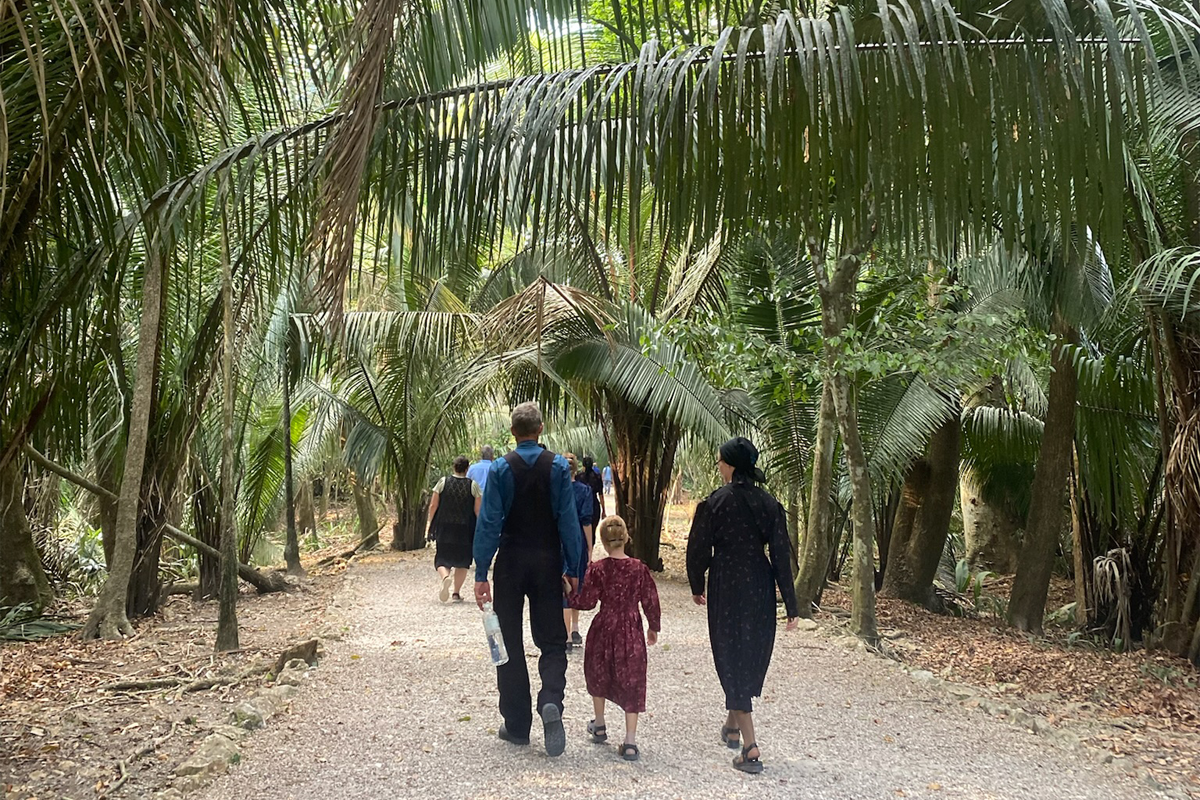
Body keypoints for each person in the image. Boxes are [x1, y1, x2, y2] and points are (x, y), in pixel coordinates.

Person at [474, 402, 584, 757]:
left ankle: (517, 724)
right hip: (547, 560)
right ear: (540, 429)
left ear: (513, 433)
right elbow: (568, 520)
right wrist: (574, 567)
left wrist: (480, 572)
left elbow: (489, 522)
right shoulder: (557, 468)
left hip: (510, 562)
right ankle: (551, 699)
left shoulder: (502, 468)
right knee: (552, 639)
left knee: (508, 642)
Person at [686, 436, 799, 775]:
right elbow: (781, 555)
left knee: (730, 653)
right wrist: (790, 605)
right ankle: (732, 725)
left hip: (726, 584)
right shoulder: (769, 504)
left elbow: (697, 548)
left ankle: (750, 747)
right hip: (759, 585)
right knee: (748, 652)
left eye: (721, 461)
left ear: (731, 465)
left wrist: (696, 583)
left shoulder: (716, 502)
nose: (718, 466)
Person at [568, 516, 660, 761]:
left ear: (603, 542)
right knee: (633, 678)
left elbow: (587, 602)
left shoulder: (598, 568)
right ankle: (630, 740)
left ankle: (599, 723)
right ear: (626, 537)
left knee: (598, 671)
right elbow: (650, 599)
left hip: (604, 625)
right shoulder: (639, 568)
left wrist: (569, 594)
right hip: (630, 628)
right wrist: (654, 626)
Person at [427, 456, 482, 603]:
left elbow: (433, 505)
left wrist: (430, 523)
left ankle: (445, 577)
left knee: (442, 558)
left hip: (444, 527)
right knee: (463, 561)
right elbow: (478, 510)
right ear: (467, 469)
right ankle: (456, 593)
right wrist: (480, 527)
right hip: (465, 529)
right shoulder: (473, 485)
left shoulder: (443, 482)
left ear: (454, 467)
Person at [562, 453, 594, 650]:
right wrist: (590, 547)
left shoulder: (556, 490)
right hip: (578, 541)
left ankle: (565, 635)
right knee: (576, 582)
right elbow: (586, 521)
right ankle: (574, 628)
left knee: (563, 585)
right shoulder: (585, 491)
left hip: (559, 540)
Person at [578, 455, 606, 526]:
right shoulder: (597, 477)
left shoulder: (579, 477)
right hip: (594, 506)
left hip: (582, 505)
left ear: (583, 465)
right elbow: (601, 495)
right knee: (593, 531)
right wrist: (603, 510)